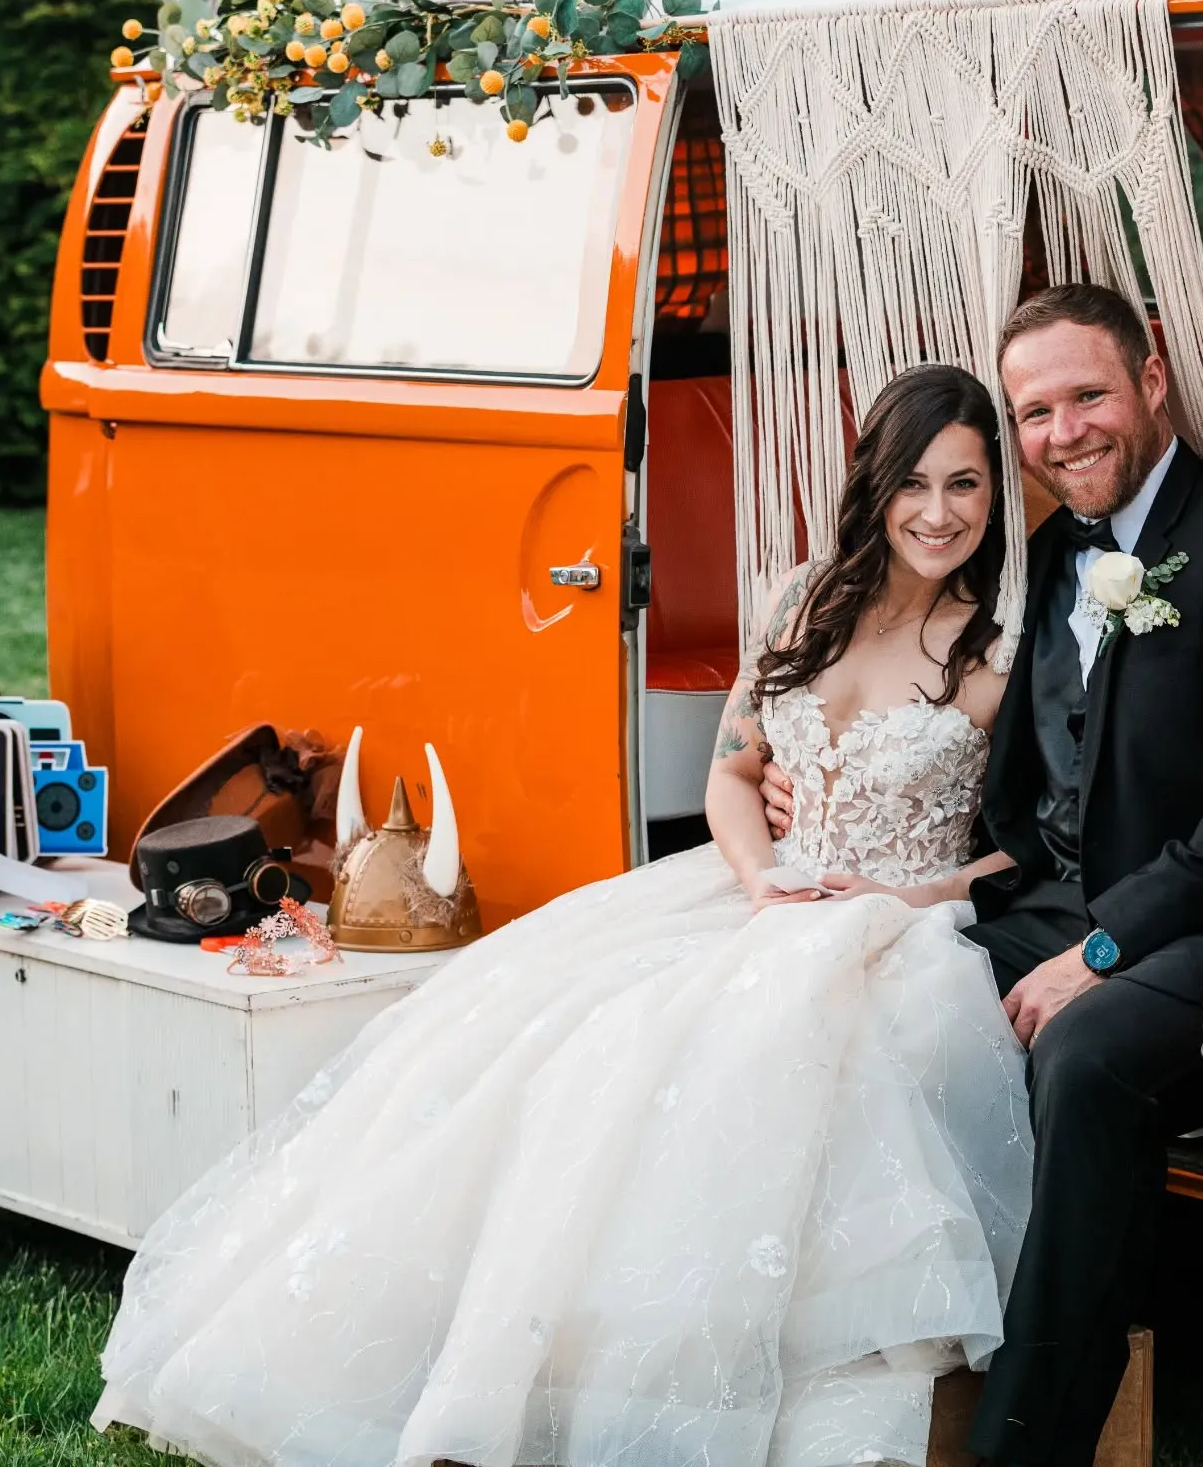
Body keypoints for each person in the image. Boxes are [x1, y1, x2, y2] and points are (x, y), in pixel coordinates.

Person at [94, 363, 1034, 1467]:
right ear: (873, 486)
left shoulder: (993, 654)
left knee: (746, 1061)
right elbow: (735, 774)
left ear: (995, 498)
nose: (938, 513)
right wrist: (759, 881)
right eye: (914, 482)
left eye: (966, 485)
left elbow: (1035, 847)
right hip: (760, 890)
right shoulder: (802, 602)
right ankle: (505, 1343)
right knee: (557, 1037)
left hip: (895, 922)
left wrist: (905, 896)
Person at [762, 283, 1203, 1467]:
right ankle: (870, 1352)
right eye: (1037, 412)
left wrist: (1104, 948)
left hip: (1201, 921)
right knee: (863, 994)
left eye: (1088, 396)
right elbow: (1019, 806)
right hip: (1048, 907)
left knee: (1081, 1059)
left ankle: (1029, 1432)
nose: (1063, 431)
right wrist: (869, 854)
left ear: (1155, 378)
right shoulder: (1042, 568)